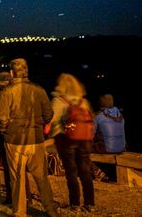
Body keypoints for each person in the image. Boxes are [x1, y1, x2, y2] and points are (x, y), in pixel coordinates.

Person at [0, 58, 57, 217]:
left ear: (11, 73)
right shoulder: (39, 90)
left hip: (14, 140)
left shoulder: (6, 92)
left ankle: (20, 212)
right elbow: (49, 114)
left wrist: (5, 130)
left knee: (17, 178)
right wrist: (39, 124)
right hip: (36, 139)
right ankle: (50, 210)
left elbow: (1, 117)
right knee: (41, 177)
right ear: (27, 71)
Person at [48, 73, 95, 212]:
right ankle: (89, 203)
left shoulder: (58, 101)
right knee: (85, 170)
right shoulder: (83, 101)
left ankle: (75, 203)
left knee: (71, 171)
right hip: (85, 140)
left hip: (65, 139)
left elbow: (51, 120)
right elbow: (91, 120)